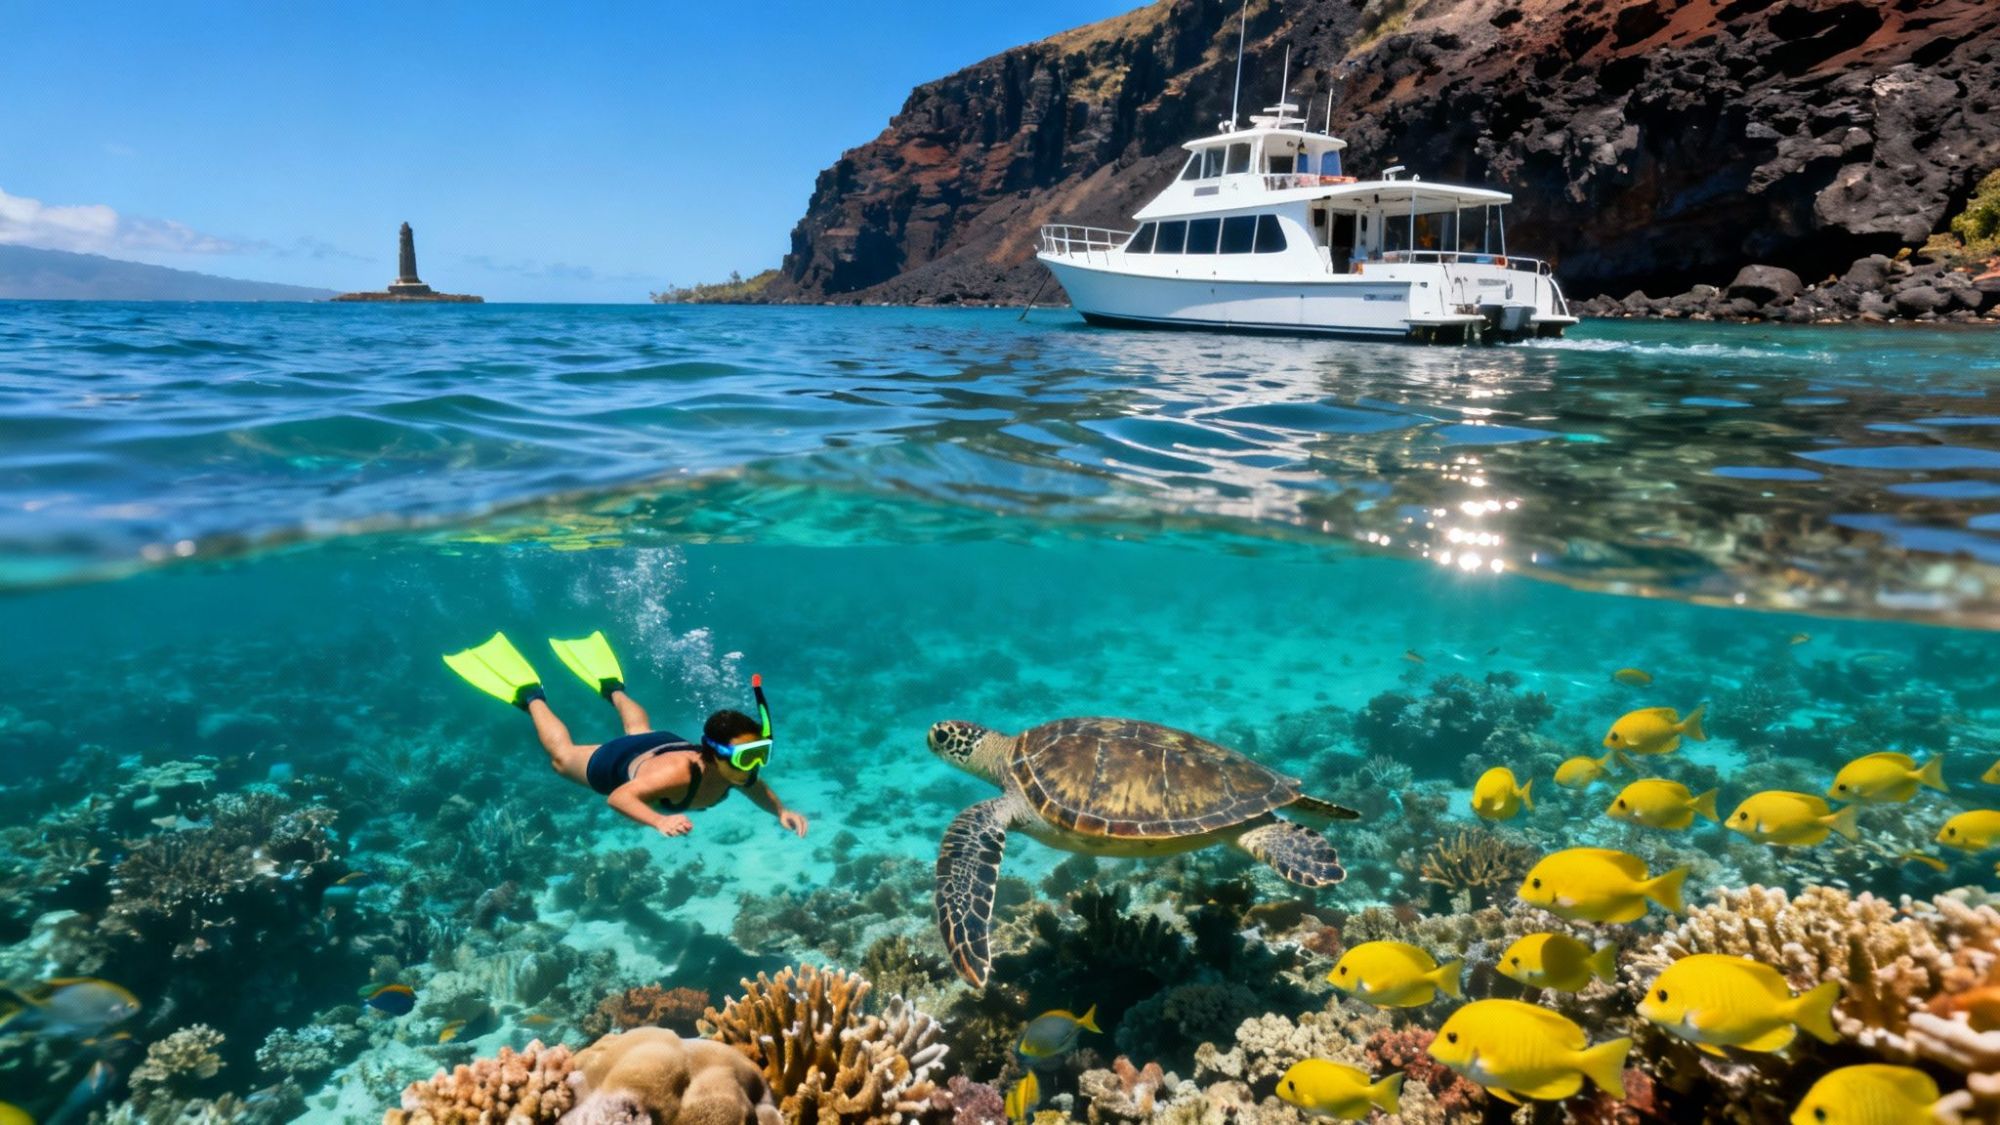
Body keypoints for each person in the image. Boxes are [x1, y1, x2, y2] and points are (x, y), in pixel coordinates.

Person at [443, 631, 808, 839]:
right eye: (747, 757)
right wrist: (659, 820)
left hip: (662, 745)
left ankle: (613, 687)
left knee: (641, 731)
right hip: (622, 763)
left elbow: (755, 787)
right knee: (562, 759)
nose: (755, 766)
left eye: (761, 752)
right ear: (712, 755)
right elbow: (618, 798)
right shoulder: (675, 775)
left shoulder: (739, 771)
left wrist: (780, 810)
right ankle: (531, 695)